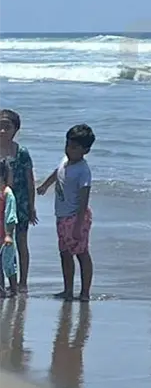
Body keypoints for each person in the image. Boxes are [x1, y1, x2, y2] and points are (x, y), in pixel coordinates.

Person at [36, 124, 96, 302]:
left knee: (81, 253)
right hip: (61, 216)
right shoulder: (65, 160)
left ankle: (84, 292)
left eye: (74, 147)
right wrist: (45, 185)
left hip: (76, 217)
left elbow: (84, 199)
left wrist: (78, 224)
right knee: (64, 253)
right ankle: (68, 290)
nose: (69, 150)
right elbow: (57, 172)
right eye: (68, 145)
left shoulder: (83, 171)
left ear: (85, 150)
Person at [0, 109, 35, 294]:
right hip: (0, 204)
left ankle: (22, 282)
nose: (2, 131)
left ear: (16, 129)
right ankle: (5, 282)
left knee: (21, 241)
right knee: (3, 243)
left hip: (20, 203)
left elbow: (30, 181)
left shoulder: (21, 152)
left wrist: (32, 206)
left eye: (7, 127)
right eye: (0, 126)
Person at [0, 158, 18, 297]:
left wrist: (8, 234)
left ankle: (13, 290)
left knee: (9, 263)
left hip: (5, 235)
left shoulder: (7, 193)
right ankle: (1, 289)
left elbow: (11, 216)